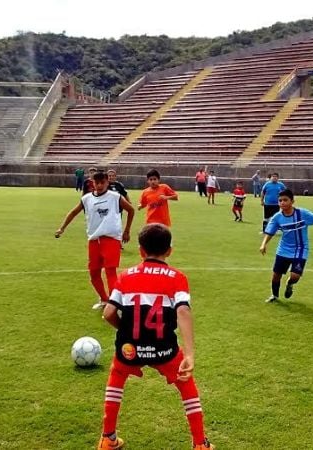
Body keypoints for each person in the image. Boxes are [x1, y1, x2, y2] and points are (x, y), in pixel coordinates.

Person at [98, 224, 215, 450]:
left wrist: (125, 329)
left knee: (117, 376)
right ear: (169, 250)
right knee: (186, 383)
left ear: (141, 250)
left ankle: (108, 437)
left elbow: (108, 313)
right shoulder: (177, 278)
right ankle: (200, 443)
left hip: (128, 348)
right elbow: (182, 311)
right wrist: (189, 353)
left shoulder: (124, 276)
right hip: (164, 348)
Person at [55, 171, 135, 310]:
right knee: (94, 273)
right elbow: (73, 212)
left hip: (111, 238)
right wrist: (62, 228)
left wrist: (127, 230)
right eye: (96, 183)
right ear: (92, 183)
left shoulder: (115, 197)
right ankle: (104, 299)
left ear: (107, 183)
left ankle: (114, 304)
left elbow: (131, 210)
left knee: (110, 272)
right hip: (93, 239)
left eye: (102, 183)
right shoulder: (87, 198)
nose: (99, 185)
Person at [259, 189, 313, 303]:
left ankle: (290, 284)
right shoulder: (277, 217)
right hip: (283, 249)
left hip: (301, 249)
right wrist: (263, 244)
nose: (282, 203)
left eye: (285, 200)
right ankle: (274, 296)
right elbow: (270, 232)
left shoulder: (302, 213)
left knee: (295, 277)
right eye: (280, 201)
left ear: (292, 201)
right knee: (276, 275)